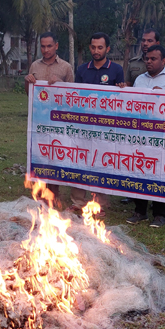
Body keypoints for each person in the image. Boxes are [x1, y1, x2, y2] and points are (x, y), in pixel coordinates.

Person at [125, 45, 165, 228]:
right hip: (142, 133)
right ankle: (140, 211)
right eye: (147, 59)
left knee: (160, 172)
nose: (149, 62)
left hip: (162, 134)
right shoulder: (139, 80)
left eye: (153, 59)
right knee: (140, 169)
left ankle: (160, 214)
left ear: (164, 60)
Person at [68, 32, 125, 217]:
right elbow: (75, 95)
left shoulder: (116, 69)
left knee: (103, 162)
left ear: (107, 49)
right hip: (84, 126)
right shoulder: (82, 69)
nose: (96, 50)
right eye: (93, 47)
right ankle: (78, 201)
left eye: (100, 47)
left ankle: (99, 204)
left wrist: (123, 90)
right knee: (80, 160)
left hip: (106, 127)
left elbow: (122, 99)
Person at [25, 32, 75, 205]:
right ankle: (39, 194)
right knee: (39, 155)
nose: (45, 50)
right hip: (39, 120)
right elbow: (29, 94)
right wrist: (28, 81)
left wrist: (60, 84)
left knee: (54, 155)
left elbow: (72, 96)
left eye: (49, 46)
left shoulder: (66, 67)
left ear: (56, 46)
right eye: (42, 46)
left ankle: (54, 195)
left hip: (58, 120)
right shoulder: (34, 65)